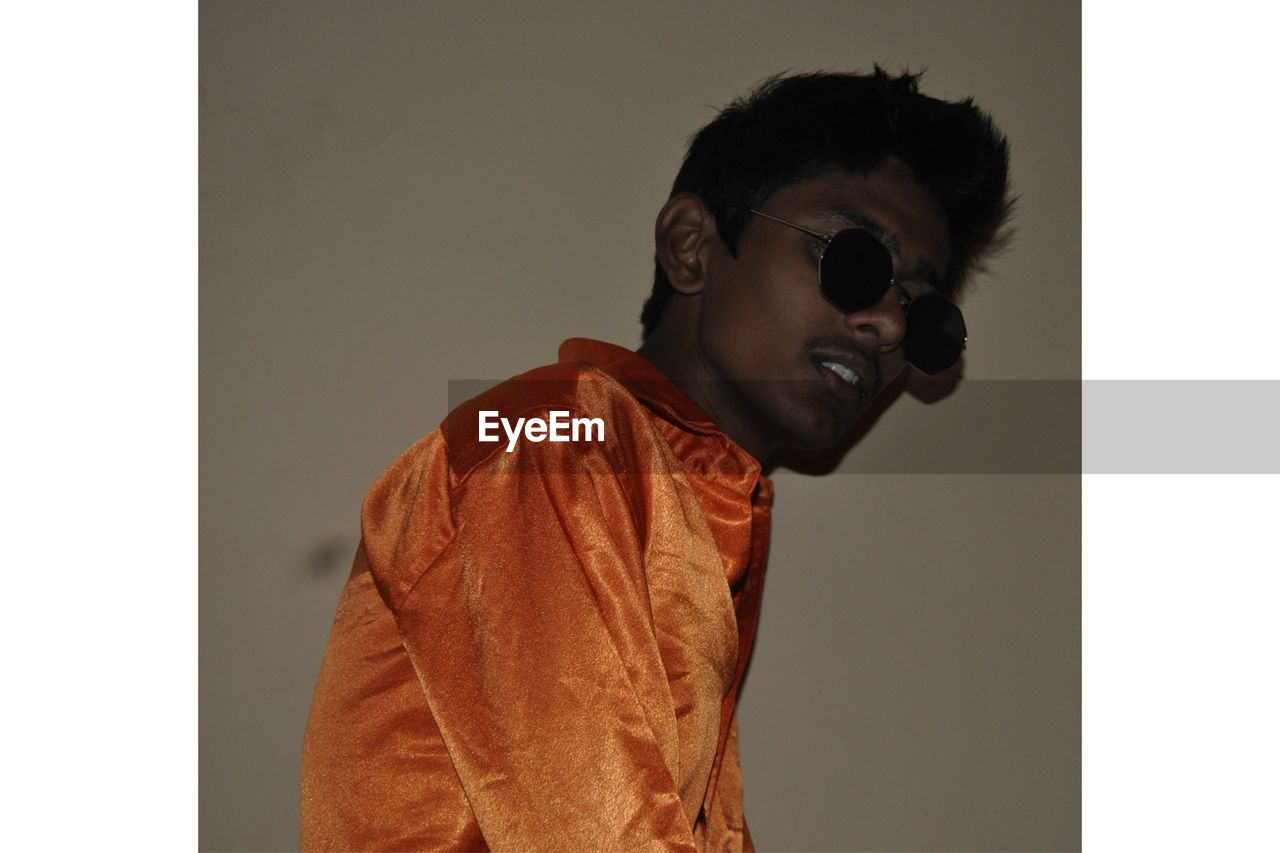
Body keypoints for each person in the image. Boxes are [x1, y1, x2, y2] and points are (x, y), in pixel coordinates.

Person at [300, 68, 1013, 851]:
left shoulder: (695, 495)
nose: (883, 324)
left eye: (921, 309)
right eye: (854, 262)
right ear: (691, 247)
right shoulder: (551, 439)